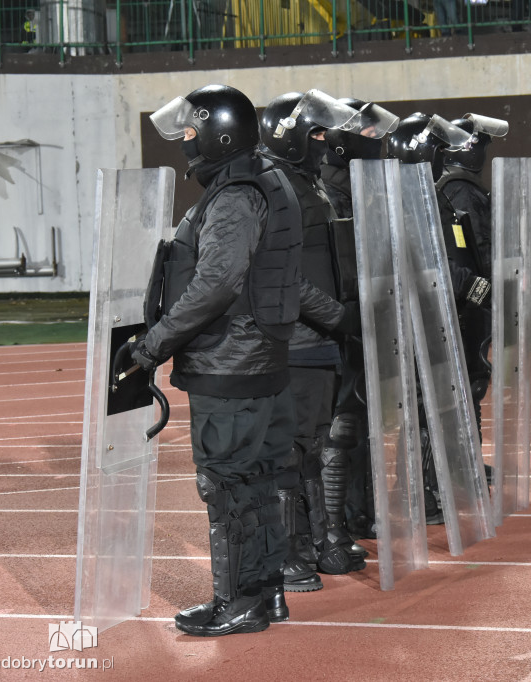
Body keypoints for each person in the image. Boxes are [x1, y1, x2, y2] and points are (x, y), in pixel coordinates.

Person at [141, 84, 303, 636]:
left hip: (230, 360)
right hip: (256, 358)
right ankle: (265, 592)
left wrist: (154, 341)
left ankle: (236, 601)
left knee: (227, 485)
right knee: (257, 481)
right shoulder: (265, 177)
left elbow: (216, 282)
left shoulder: (234, 194)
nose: (187, 140)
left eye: (192, 130)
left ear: (219, 134)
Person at [258, 90, 375, 585]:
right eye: (319, 133)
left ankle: (321, 543)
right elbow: (283, 273)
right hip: (299, 340)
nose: (328, 142)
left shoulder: (308, 185)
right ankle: (289, 555)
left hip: (322, 339)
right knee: (292, 451)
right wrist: (337, 315)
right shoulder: (279, 186)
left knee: (318, 445)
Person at [386, 111, 493, 521]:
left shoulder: (432, 195)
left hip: (445, 315)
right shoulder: (406, 198)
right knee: (420, 407)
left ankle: (438, 484)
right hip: (423, 318)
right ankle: (418, 491)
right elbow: (434, 266)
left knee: (444, 404)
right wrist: (479, 288)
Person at [319, 97, 400, 541]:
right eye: (367, 132)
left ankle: (361, 511)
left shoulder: (362, 186)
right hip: (344, 318)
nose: (376, 139)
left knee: (364, 417)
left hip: (367, 314)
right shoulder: (331, 191)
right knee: (343, 422)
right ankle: (334, 524)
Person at [436, 113, 507, 454]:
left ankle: (469, 462)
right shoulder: (459, 190)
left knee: (471, 381)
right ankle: (465, 463)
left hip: (473, 297)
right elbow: (476, 249)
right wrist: (489, 289)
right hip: (468, 301)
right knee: (466, 382)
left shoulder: (462, 186)